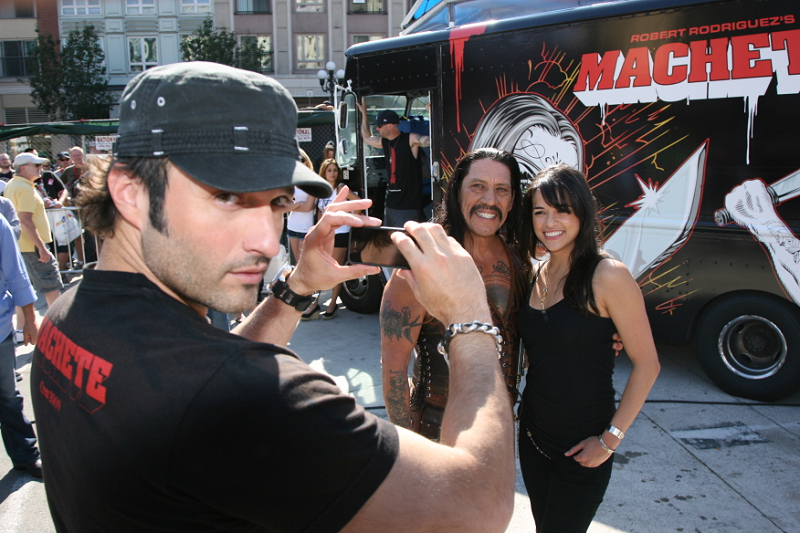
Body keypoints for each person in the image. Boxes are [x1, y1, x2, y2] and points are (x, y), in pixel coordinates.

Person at [30, 61, 516, 533]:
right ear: (131, 194)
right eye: (228, 198)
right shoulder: (252, 400)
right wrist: (471, 316)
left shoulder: (68, 316)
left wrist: (296, 288)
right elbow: (479, 506)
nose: (267, 242)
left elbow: (197, 375)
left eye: (278, 202)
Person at [517, 163, 660, 533]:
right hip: (533, 438)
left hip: (585, 448)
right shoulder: (535, 273)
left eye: (561, 209)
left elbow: (648, 365)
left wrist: (610, 440)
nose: (550, 221)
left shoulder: (609, 275)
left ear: (582, 212)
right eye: (540, 211)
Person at [381, 148, 528, 439]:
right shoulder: (421, 265)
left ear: (512, 200)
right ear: (456, 192)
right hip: (436, 434)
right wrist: (410, 449)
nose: (489, 199)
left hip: (498, 432)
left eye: (501, 190)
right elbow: (394, 369)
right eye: (478, 186)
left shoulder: (517, 259)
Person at [0, 214, 42, 477]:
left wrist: (30, 319)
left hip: (0, 329)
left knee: (7, 395)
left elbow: (16, 272)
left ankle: (26, 455)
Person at [2, 152, 63, 312]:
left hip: (21, 245)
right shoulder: (24, 188)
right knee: (51, 285)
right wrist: (41, 248)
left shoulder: (13, 184)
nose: (40, 168)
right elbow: (26, 220)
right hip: (33, 247)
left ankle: (22, 331)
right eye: (36, 165)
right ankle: (58, 326)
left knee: (24, 290)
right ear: (23, 167)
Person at [302, 158, 361, 320]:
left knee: (336, 269)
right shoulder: (322, 190)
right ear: (324, 172)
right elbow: (321, 213)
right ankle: (315, 304)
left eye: (335, 170)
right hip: (325, 235)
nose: (333, 173)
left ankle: (333, 303)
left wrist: (348, 221)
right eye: (329, 170)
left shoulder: (341, 188)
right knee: (321, 268)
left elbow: (359, 203)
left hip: (341, 234)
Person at [357, 101, 430, 227]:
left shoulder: (410, 139)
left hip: (408, 206)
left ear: (390, 125)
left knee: (406, 242)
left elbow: (430, 141)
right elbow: (367, 138)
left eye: (379, 125)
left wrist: (431, 114)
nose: (377, 128)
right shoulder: (385, 142)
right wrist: (364, 113)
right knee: (390, 241)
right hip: (391, 204)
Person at [285, 148, 316, 268]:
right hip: (292, 225)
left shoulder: (312, 181)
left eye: (301, 159)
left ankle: (311, 287)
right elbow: (283, 207)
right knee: (297, 264)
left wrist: (293, 204)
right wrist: (299, 204)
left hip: (306, 227)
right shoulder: (291, 181)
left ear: (306, 161)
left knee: (304, 263)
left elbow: (308, 207)